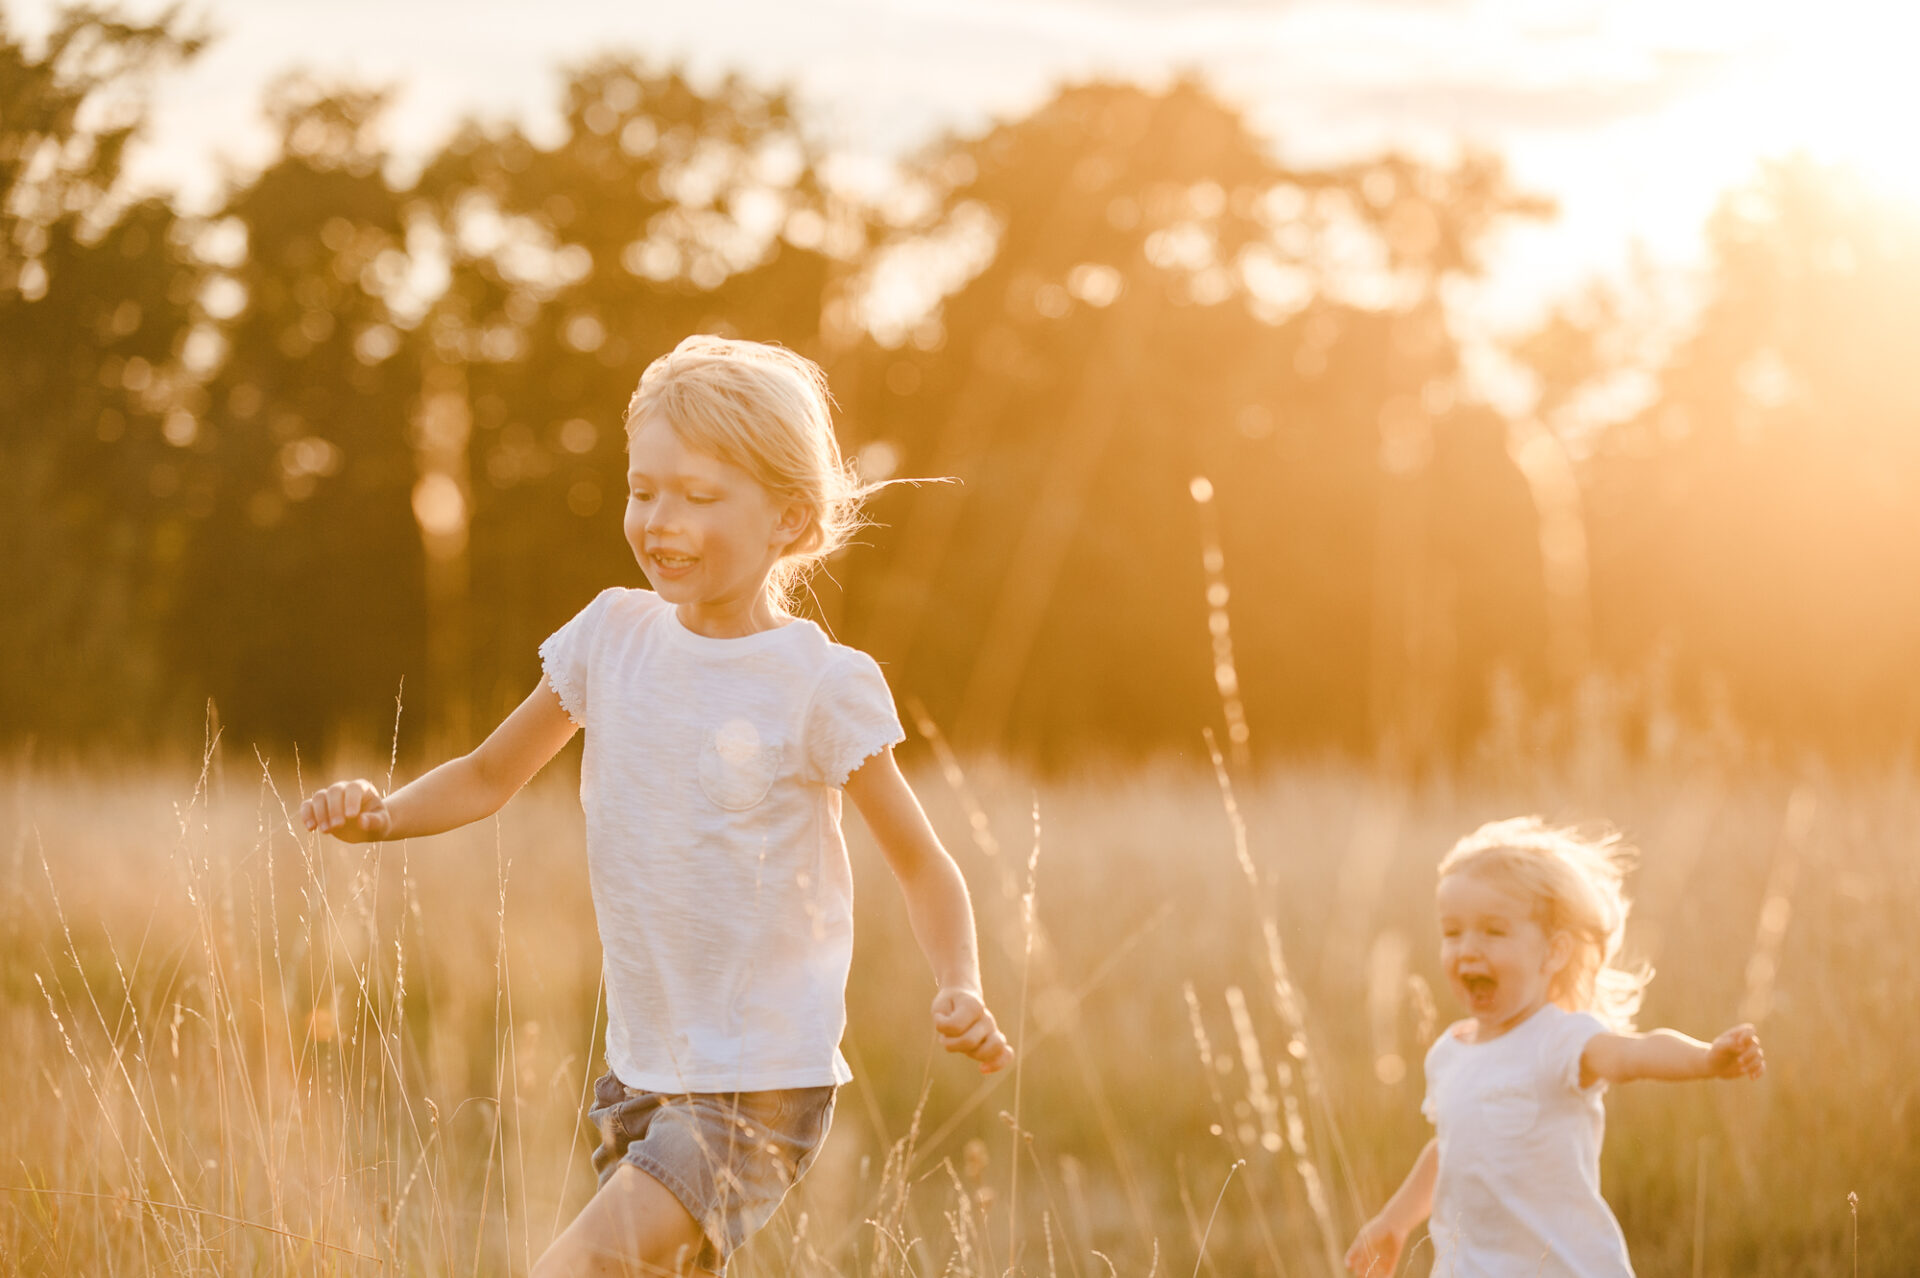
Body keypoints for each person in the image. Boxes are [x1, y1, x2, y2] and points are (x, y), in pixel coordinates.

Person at [301, 335, 1012, 1276]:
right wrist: (385, 813)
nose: (661, 521)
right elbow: (484, 775)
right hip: (638, 1075)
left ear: (789, 519)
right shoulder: (610, 638)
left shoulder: (819, 683)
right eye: (644, 490)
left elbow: (923, 862)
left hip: (758, 1087)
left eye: (701, 497)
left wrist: (959, 981)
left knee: (577, 1267)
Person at [1345, 817, 1765, 1277]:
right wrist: (1394, 1222)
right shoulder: (1449, 1054)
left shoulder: (1558, 1040)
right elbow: (1449, 1149)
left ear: (1554, 952)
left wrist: (1705, 1059)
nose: (1467, 949)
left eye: (1493, 931)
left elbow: (1634, 1053)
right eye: (1452, 932)